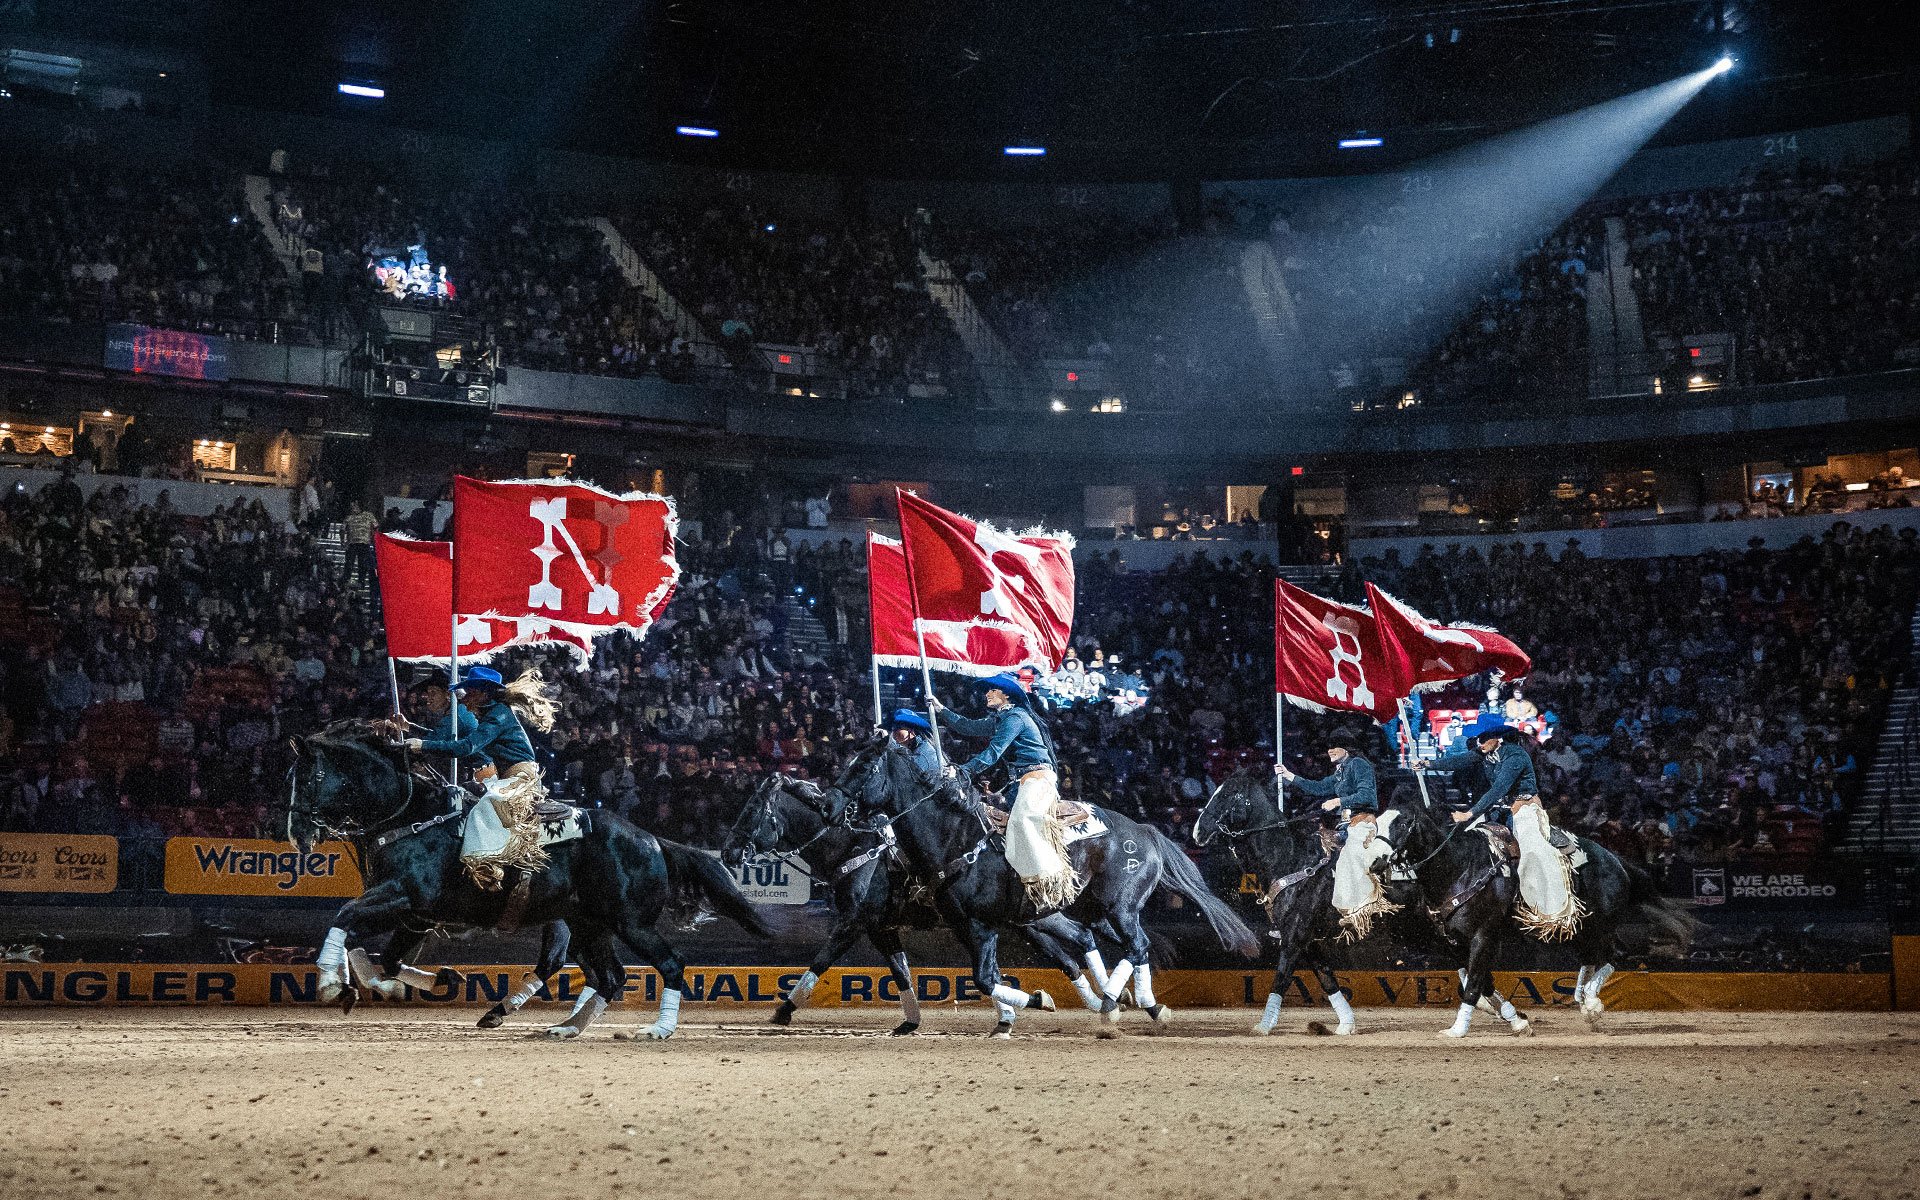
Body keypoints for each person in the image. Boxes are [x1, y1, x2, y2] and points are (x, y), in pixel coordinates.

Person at [1416, 713, 1581, 936]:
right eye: (1478, 739)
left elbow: (1498, 789)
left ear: (1498, 738)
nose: (1478, 743)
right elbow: (1459, 761)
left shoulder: (1515, 757)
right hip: (1498, 811)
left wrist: (1470, 813)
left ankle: (1546, 906)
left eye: (1483, 738)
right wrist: (1428, 763)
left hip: (1524, 808)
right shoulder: (1485, 752)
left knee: (1531, 849)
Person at [932, 672, 1077, 911]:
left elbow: (994, 752)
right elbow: (969, 727)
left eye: (992, 690)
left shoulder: (1016, 718)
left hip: (1037, 779)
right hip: (1018, 783)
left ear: (1006, 694)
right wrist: (940, 709)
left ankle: (1049, 880)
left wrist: (962, 771)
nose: (987, 694)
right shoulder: (1001, 719)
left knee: (1022, 820)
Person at [408, 666, 555, 891]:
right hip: (507, 776)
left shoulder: (498, 715)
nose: (466, 696)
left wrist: (423, 745)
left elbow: (468, 746)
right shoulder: (493, 713)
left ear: (483, 693)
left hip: (521, 778)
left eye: (470, 691)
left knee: (484, 807)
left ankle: (489, 870)